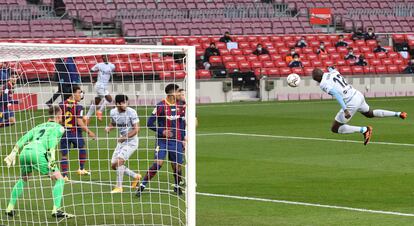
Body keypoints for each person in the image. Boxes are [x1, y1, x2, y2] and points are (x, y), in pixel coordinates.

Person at [3, 105, 74, 218]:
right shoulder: (59, 128)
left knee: (24, 178)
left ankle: (9, 208)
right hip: (38, 153)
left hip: (25, 152)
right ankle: (56, 210)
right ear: (59, 115)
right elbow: (51, 145)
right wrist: (52, 163)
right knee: (59, 179)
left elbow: (24, 138)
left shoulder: (39, 126)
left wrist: (14, 152)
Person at [312, 68, 406, 145]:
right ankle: (398, 114)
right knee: (369, 113)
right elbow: (332, 68)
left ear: (316, 78)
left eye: (314, 78)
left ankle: (364, 130)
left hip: (350, 102)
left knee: (335, 128)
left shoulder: (323, 84)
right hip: (357, 94)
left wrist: (345, 109)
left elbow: (336, 94)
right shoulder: (333, 72)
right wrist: (330, 68)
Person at [136, 84, 186, 197]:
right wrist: (162, 131)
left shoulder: (182, 106)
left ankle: (177, 186)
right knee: (157, 164)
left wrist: (183, 139)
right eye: (178, 92)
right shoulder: (160, 106)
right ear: (172, 93)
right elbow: (149, 123)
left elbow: (182, 124)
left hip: (176, 141)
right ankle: (142, 185)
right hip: (162, 141)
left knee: (177, 166)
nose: (180, 94)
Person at [105, 95, 142, 193]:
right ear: (117, 104)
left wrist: (124, 137)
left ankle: (119, 187)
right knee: (114, 165)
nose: (125, 105)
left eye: (126, 102)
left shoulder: (131, 112)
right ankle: (136, 176)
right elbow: (113, 123)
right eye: (122, 103)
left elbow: (137, 129)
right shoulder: (113, 112)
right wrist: (109, 128)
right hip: (121, 142)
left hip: (131, 142)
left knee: (119, 162)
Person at [59, 86, 96, 181]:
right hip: (75, 132)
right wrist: (89, 132)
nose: (81, 95)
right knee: (82, 148)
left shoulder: (61, 104)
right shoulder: (79, 106)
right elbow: (79, 122)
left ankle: (64, 176)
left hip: (64, 133)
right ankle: (81, 168)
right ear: (73, 93)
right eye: (79, 92)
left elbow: (59, 120)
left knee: (64, 155)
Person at [85, 55, 115, 123]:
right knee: (109, 100)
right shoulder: (99, 65)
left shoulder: (112, 66)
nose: (105, 58)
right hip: (99, 85)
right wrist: (91, 79)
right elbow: (91, 71)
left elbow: (113, 73)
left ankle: (87, 116)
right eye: (103, 57)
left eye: (106, 56)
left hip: (105, 86)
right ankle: (100, 111)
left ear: (109, 57)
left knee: (96, 102)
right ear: (102, 58)